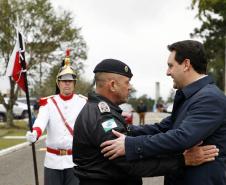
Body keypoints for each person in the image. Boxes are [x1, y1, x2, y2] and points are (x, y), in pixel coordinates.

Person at [72, 58, 218, 185]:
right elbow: (132, 164)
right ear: (112, 85)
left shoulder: (102, 110)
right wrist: (182, 159)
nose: (130, 87)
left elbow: (132, 133)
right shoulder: (103, 117)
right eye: (127, 82)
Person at [101, 40, 226, 185]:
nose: (167, 72)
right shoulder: (191, 96)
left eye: (171, 66)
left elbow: (182, 137)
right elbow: (163, 127)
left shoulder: (209, 98)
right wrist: (123, 129)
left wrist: (131, 145)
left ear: (186, 64)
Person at [26, 51, 87, 185]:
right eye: (64, 81)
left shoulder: (82, 102)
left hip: (74, 161)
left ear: (74, 83)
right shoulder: (48, 103)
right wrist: (35, 133)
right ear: (58, 83)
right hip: (53, 161)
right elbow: (41, 120)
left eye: (70, 81)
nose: (67, 84)